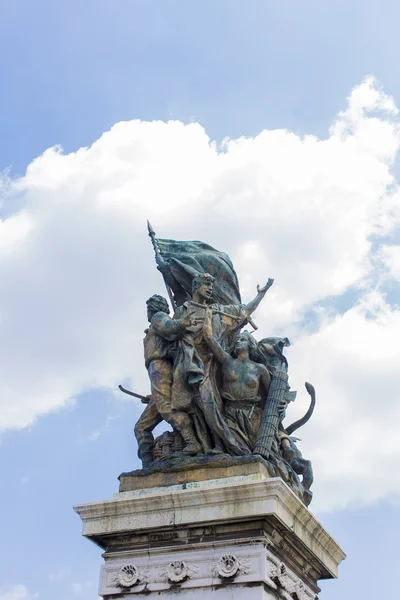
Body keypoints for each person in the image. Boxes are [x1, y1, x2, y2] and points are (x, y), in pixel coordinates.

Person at [171, 273, 274, 455]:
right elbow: (170, 333)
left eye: (211, 285)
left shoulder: (218, 311)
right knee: (187, 409)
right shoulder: (183, 310)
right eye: (206, 284)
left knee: (209, 405)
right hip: (187, 364)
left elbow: (244, 311)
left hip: (214, 365)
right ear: (196, 287)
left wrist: (261, 294)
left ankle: (224, 445)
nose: (210, 288)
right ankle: (200, 445)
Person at [134, 294, 201, 467]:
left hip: (159, 368)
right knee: (141, 427)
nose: (148, 312)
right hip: (158, 373)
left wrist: (180, 323)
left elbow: (168, 326)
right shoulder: (153, 325)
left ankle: (192, 441)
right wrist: (154, 395)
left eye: (149, 308)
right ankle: (148, 465)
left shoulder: (158, 317)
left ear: (154, 308)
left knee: (167, 409)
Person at [203, 313, 271, 452]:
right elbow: (210, 339)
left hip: (252, 416)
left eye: (243, 340)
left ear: (250, 344)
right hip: (230, 413)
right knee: (235, 447)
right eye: (238, 340)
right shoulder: (228, 361)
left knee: (253, 451)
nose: (239, 342)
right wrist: (207, 316)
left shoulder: (260, 369)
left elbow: (270, 396)